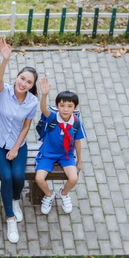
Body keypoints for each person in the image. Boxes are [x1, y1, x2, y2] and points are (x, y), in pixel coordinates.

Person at [0, 39, 39, 243]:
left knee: (19, 176)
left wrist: (17, 148)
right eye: (22, 78)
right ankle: (10, 218)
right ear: (17, 77)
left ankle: (15, 199)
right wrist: (5, 59)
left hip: (18, 145)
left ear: (32, 86)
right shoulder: (4, 92)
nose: (23, 83)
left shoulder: (32, 102)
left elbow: (26, 126)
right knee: (6, 177)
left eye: (28, 82)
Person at [35, 81, 86, 215]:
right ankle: (48, 195)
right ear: (57, 106)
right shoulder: (53, 117)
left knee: (74, 178)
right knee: (39, 178)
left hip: (66, 155)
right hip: (47, 154)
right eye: (62, 105)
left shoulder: (76, 122)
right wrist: (44, 95)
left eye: (70, 106)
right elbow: (43, 109)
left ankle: (64, 194)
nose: (65, 109)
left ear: (75, 107)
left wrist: (79, 161)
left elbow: (78, 142)